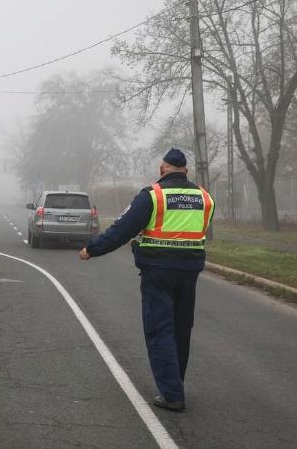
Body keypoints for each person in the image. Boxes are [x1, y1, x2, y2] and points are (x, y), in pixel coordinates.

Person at [79, 148, 214, 412]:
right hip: (189, 272)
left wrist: (92, 249)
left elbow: (122, 229)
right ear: (186, 170)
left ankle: (172, 395)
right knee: (180, 330)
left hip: (159, 272)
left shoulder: (153, 195)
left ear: (162, 169)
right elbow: (200, 230)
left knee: (159, 330)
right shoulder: (204, 197)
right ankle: (175, 382)